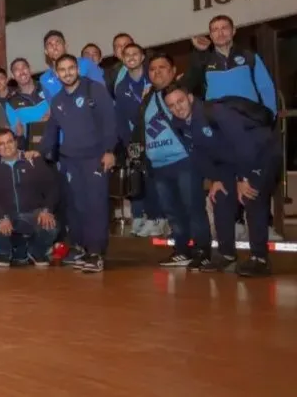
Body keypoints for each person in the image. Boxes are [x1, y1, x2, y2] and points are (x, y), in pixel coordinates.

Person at [164, 84, 280, 277]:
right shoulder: (178, 124)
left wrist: (244, 178)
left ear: (190, 98)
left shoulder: (216, 112)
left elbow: (244, 144)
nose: (178, 108)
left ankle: (260, 259)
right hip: (230, 160)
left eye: (180, 101)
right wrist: (215, 179)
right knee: (221, 198)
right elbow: (198, 155)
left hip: (260, 153)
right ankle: (226, 254)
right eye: (171, 105)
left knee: (251, 197)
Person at [39, 54, 117, 273]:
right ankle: (83, 248)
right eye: (62, 70)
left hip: (94, 158)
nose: (67, 73)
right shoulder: (57, 101)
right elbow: (51, 131)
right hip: (69, 161)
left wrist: (109, 151)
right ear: (56, 73)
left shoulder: (95, 90)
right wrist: (39, 153)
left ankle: (96, 253)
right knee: (76, 207)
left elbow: (110, 121)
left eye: (71, 68)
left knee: (96, 206)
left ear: (77, 69)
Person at [132, 54, 210, 268]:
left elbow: (195, 74)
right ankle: (182, 250)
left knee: (193, 207)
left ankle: (203, 251)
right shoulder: (147, 98)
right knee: (173, 211)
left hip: (184, 160)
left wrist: (196, 50)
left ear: (173, 70)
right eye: (153, 69)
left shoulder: (179, 91)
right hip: (158, 166)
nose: (157, 72)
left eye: (162, 67)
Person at [0, 129, 59, 267]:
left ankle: (37, 252)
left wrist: (47, 210)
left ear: (16, 142)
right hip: (7, 215)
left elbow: (52, 188)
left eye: (9, 142)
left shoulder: (33, 160)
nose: (6, 146)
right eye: (1, 144)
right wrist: (1, 217)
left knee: (50, 226)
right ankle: (5, 253)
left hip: (33, 213)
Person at [113, 43, 164, 237]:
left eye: (135, 54)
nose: (132, 57)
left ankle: (158, 217)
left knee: (156, 178)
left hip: (157, 135)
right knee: (139, 177)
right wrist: (128, 144)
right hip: (136, 139)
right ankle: (144, 217)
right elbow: (121, 119)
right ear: (123, 60)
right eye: (127, 55)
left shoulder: (153, 77)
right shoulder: (121, 86)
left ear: (143, 57)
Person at [184, 14, 277, 114]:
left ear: (233, 31)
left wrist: (271, 115)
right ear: (211, 36)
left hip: (250, 120)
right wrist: (199, 52)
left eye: (224, 28)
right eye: (215, 30)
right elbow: (188, 84)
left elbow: (266, 87)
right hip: (218, 123)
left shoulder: (250, 57)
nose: (220, 33)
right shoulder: (204, 61)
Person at [39, 30, 105, 99]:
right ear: (46, 51)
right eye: (50, 44)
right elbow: (51, 106)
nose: (54, 47)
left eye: (58, 42)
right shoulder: (44, 79)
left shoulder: (86, 63)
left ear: (65, 46)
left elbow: (102, 90)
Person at [4, 58, 49, 142]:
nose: (21, 72)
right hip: (34, 145)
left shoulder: (46, 87)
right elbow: (19, 132)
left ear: (30, 69)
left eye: (24, 67)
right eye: (16, 70)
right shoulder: (11, 102)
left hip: (58, 141)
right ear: (13, 76)